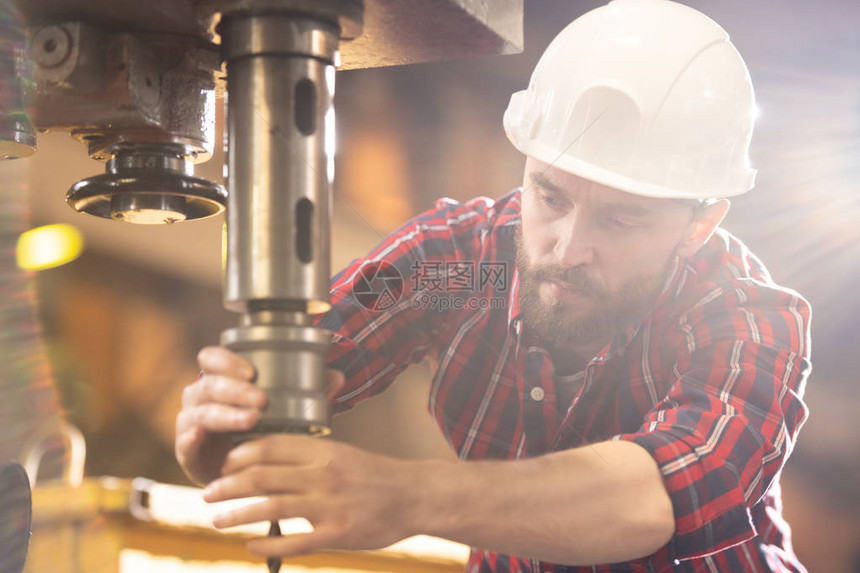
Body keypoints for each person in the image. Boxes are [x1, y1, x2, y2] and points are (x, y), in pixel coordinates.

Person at [175, 1, 811, 571]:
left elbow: (650, 502)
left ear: (700, 223)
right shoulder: (453, 268)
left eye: (622, 219)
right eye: (549, 195)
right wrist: (226, 428)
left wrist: (407, 496)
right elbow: (291, 371)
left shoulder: (745, 319)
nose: (567, 249)